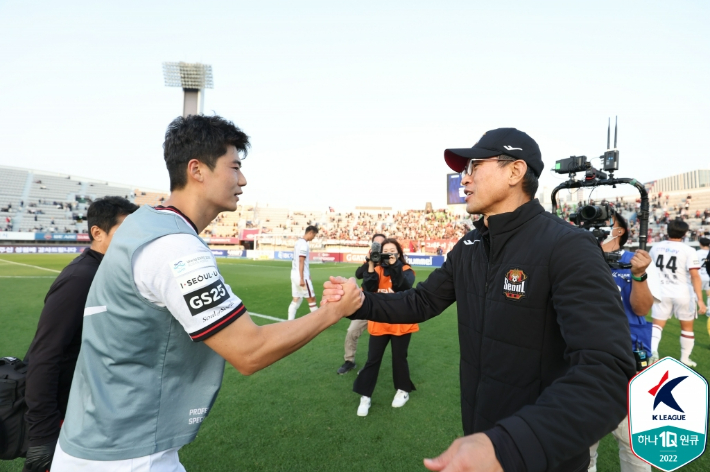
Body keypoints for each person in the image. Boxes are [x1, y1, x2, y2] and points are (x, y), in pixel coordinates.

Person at [51, 115, 362, 471]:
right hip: (128, 455)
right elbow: (249, 351)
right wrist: (332, 312)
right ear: (197, 170)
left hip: (99, 440)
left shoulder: (143, 225)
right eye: (235, 167)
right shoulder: (174, 247)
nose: (243, 180)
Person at [323, 128, 635, 472]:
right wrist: (361, 303)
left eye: (473, 167)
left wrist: (511, 445)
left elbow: (608, 372)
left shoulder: (567, 246)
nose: (464, 179)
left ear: (515, 172)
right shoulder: (470, 246)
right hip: (482, 437)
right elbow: (421, 302)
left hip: (536, 454)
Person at [22, 196, 138, 472]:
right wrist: (41, 435)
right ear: (97, 233)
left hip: (93, 413)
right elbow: (43, 355)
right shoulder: (81, 277)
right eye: (126, 230)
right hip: (64, 418)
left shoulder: (108, 271)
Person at [588, 212, 661, 472]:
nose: (592, 226)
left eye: (602, 222)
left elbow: (641, 309)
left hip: (628, 358)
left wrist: (639, 275)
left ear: (619, 231)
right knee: (581, 448)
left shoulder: (636, 261)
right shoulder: (576, 259)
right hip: (584, 359)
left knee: (635, 446)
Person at [354, 238, 417, 416]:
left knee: (399, 358)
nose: (389, 253)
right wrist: (371, 265)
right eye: (386, 250)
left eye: (392, 250)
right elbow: (368, 288)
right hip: (379, 322)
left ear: (398, 253)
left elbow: (402, 287)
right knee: (372, 359)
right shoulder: (377, 268)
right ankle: (365, 396)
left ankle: (403, 390)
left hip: (401, 323)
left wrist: (395, 264)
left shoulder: (406, 270)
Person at [649, 219, 707, 367]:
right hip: (683, 292)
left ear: (667, 230)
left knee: (657, 325)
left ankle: (653, 353)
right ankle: (685, 359)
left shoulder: (656, 247)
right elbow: (695, 276)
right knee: (687, 328)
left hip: (661, 291)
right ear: (685, 233)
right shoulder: (688, 250)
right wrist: (700, 300)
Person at [337, 233, 386, 375]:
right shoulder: (369, 261)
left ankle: (370, 367)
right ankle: (349, 361)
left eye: (381, 244)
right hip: (366, 302)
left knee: (378, 338)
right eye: (376, 244)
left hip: (383, 304)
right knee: (352, 331)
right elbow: (358, 274)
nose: (378, 247)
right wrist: (370, 261)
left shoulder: (388, 262)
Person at [287, 225, 319, 320]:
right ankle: (318, 320)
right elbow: (301, 260)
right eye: (314, 235)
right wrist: (302, 278)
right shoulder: (304, 244)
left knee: (297, 299)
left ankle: (289, 321)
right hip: (301, 277)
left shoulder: (298, 243)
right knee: (312, 299)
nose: (314, 237)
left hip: (294, 275)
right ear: (310, 232)